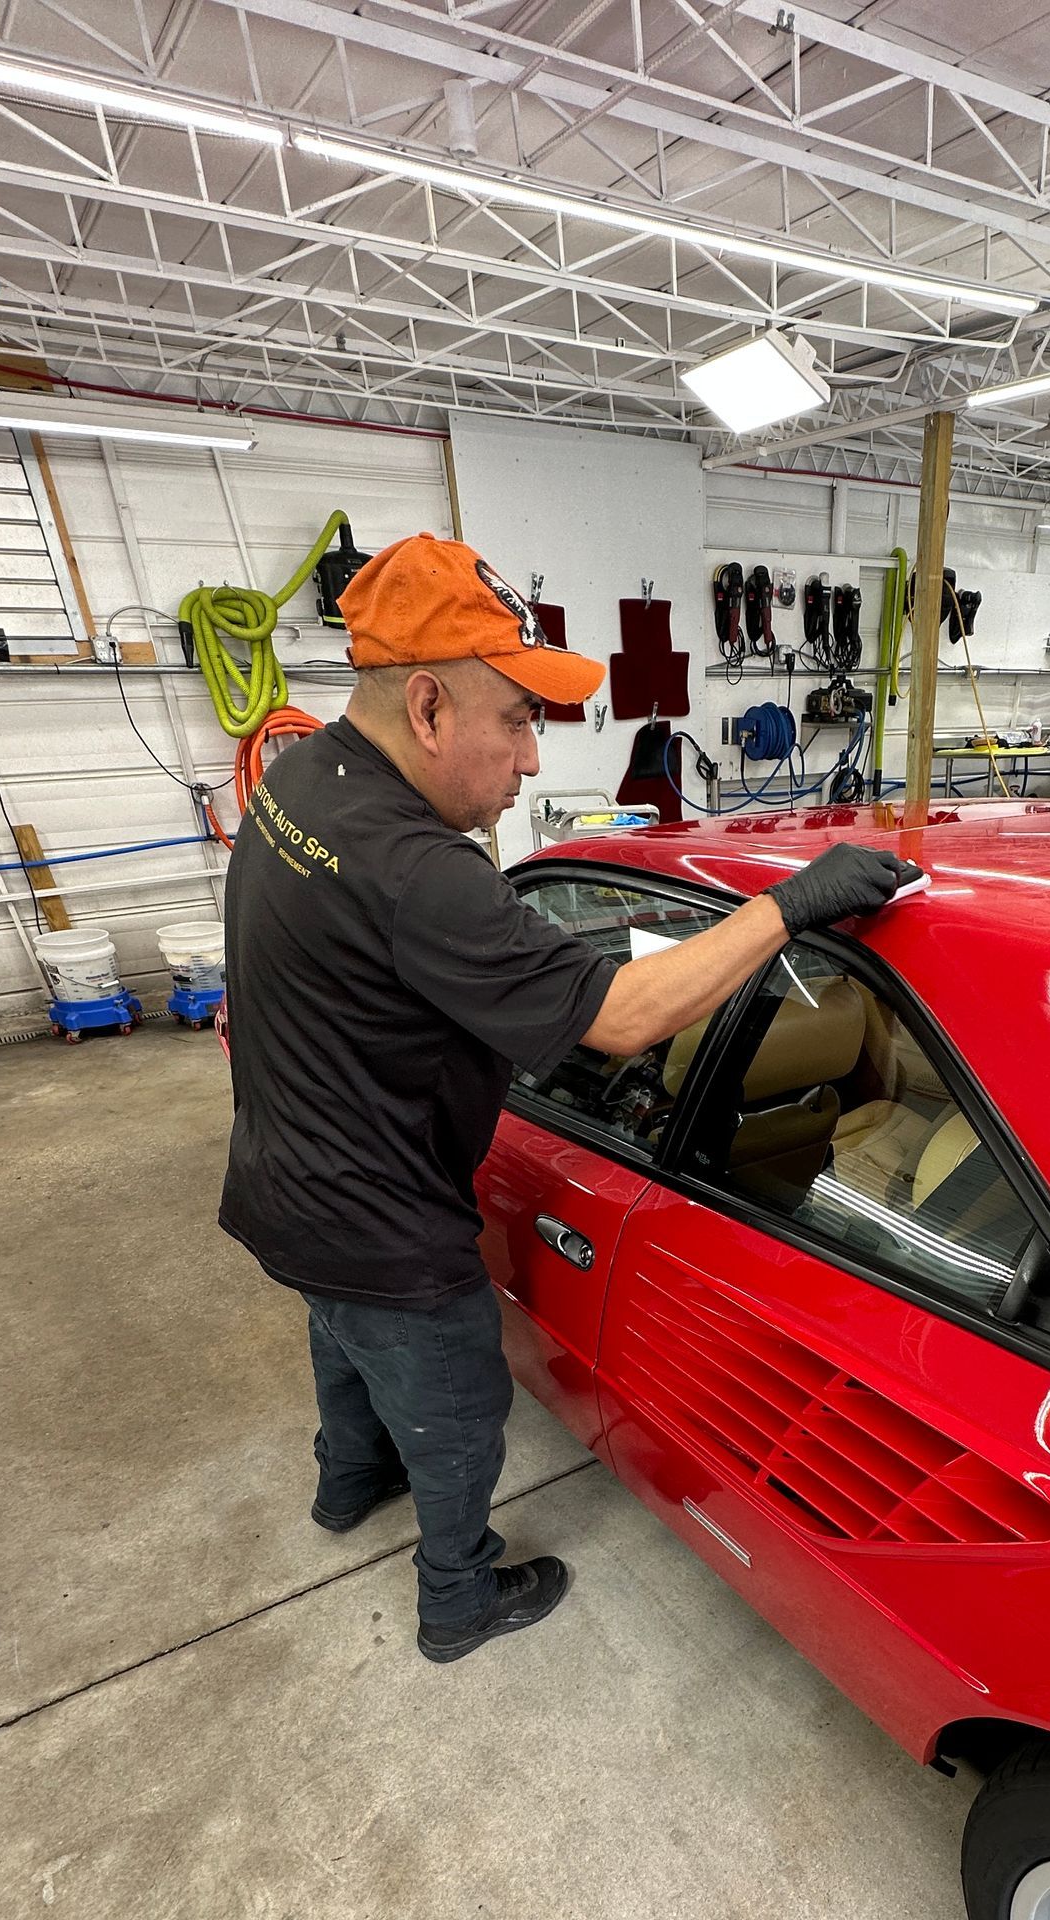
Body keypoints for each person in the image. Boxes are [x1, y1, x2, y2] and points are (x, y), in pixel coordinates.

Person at [219, 531, 919, 1663]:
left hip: (283, 1178)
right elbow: (626, 1017)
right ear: (433, 707)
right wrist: (788, 910)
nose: (532, 764)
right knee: (453, 1409)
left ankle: (346, 1485)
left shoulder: (302, 774)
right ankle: (457, 1599)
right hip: (385, 1217)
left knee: (341, 1337)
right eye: (517, 723)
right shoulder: (421, 868)